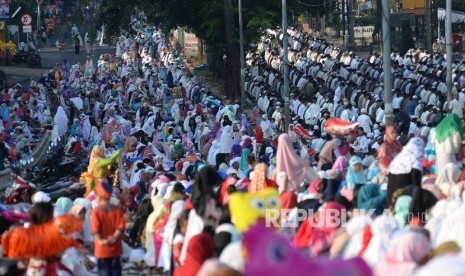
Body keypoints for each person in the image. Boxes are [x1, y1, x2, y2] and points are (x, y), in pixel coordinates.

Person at [91, 179, 125, 276]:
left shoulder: (96, 212)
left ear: (99, 197)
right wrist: (114, 238)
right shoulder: (117, 210)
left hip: (102, 249)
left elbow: (95, 230)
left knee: (104, 272)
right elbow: (121, 227)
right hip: (115, 248)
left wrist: (101, 241)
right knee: (116, 272)